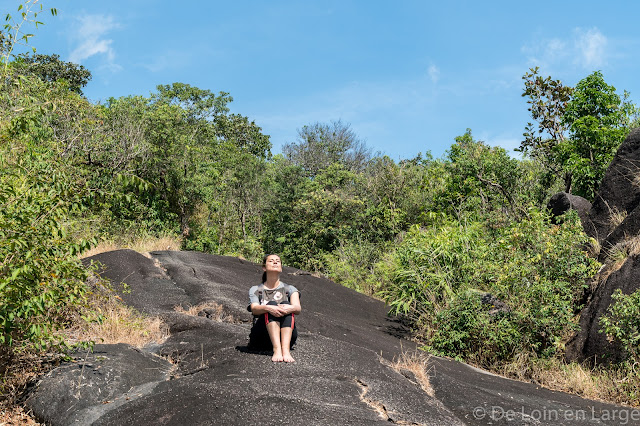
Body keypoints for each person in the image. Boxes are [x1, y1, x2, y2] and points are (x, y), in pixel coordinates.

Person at [248, 254, 301, 362]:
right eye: (271, 261)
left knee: (287, 304)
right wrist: (269, 308)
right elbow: (254, 308)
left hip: (286, 337)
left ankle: (285, 351)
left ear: (281, 267)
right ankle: (277, 350)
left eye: (278, 261)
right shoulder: (255, 289)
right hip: (262, 336)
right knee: (271, 304)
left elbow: (297, 308)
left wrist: (289, 308)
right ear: (264, 267)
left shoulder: (290, 289)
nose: (275, 262)